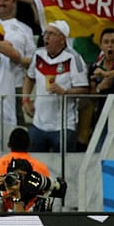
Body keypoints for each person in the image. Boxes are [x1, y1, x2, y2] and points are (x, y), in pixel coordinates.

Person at [22, 20, 90, 152]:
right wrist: (25, 100)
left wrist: (65, 91)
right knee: (34, 165)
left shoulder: (74, 58)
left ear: (62, 39)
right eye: (45, 33)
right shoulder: (38, 55)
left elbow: (84, 90)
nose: (46, 37)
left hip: (63, 126)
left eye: (51, 34)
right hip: (38, 124)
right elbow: (29, 78)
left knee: (63, 168)